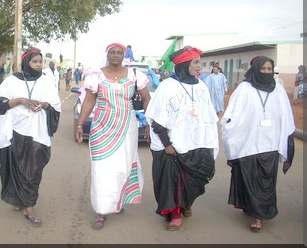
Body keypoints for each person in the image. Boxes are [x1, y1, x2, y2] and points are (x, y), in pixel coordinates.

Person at [75, 43, 151, 230]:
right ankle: (102, 211)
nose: (115, 55)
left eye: (119, 53)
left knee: (122, 167)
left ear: (123, 56)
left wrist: (149, 122)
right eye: (112, 53)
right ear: (107, 55)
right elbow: (89, 101)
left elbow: (147, 98)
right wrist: (79, 124)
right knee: (102, 168)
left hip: (127, 127)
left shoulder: (135, 75)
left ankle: (118, 200)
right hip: (101, 127)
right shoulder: (96, 76)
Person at [145, 46, 219, 231]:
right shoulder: (168, 86)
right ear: (185, 64)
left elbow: (208, 115)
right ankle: (175, 213)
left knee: (193, 179)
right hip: (172, 146)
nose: (199, 66)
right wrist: (167, 144)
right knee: (173, 181)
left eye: (199, 63)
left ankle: (186, 204)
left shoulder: (202, 86)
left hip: (197, 143)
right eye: (195, 62)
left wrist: (208, 138)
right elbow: (157, 119)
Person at [0, 48, 61, 227]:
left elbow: (55, 104)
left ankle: (25, 200)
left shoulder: (46, 81)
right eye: (34, 61)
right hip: (15, 132)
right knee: (17, 168)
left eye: (40, 62)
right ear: (26, 62)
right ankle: (27, 206)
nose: (38, 65)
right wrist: (21, 101)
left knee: (33, 170)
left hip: (38, 133)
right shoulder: (12, 81)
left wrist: (43, 105)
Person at [221, 56, 295, 232]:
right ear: (255, 69)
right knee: (250, 181)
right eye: (264, 69)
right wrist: (232, 135)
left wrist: (286, 137)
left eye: (270, 69)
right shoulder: (244, 89)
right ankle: (253, 210)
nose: (267, 72)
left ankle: (258, 216)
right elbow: (232, 115)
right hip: (248, 144)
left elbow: (286, 116)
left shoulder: (278, 90)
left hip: (270, 145)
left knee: (265, 183)